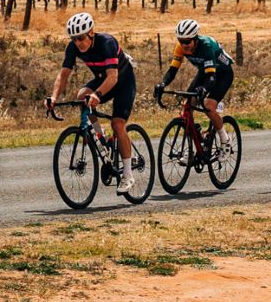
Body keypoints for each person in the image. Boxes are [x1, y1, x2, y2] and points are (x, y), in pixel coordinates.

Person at [48, 12, 138, 178]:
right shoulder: (73, 47)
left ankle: (127, 174)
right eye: (74, 39)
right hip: (103, 80)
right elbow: (63, 75)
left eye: (81, 38)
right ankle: (100, 136)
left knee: (117, 125)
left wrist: (97, 94)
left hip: (123, 82)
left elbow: (113, 77)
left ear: (91, 32)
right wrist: (53, 97)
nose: (78, 43)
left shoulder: (107, 43)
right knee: (82, 95)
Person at [154, 18, 235, 134]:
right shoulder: (180, 48)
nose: (184, 45)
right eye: (181, 41)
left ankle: (224, 139)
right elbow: (172, 71)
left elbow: (211, 77)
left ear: (195, 39)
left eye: (187, 42)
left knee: (209, 107)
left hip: (223, 74)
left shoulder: (206, 47)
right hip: (205, 71)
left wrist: (205, 89)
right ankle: (195, 137)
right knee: (187, 106)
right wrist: (163, 84)